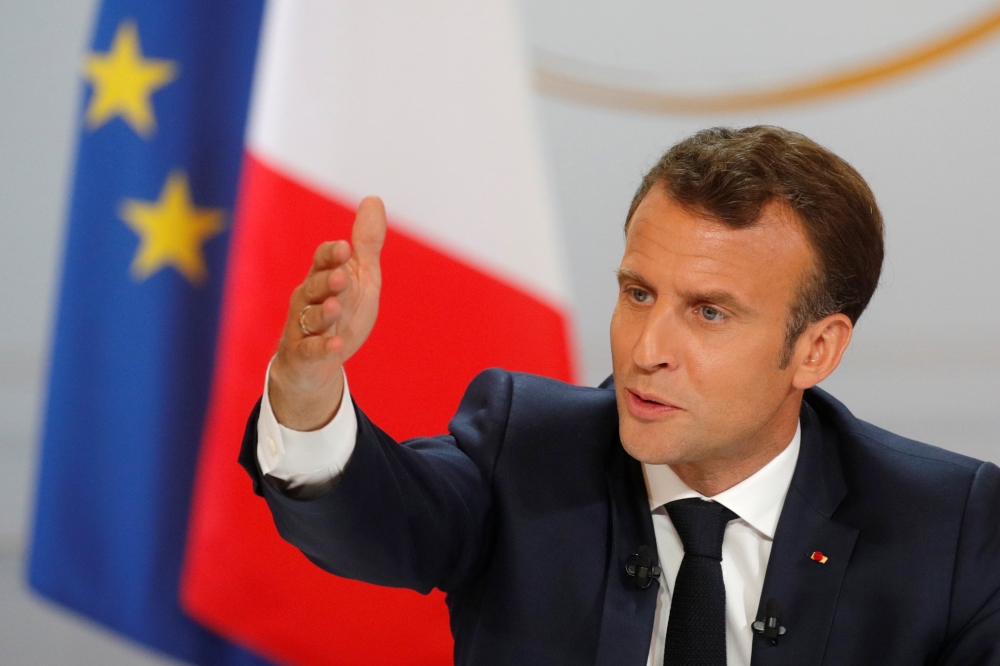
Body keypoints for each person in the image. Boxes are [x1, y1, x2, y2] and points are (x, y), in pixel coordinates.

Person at [239, 126, 1000, 665]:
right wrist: (307, 389)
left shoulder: (950, 526)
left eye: (709, 312)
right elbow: (370, 520)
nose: (647, 350)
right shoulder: (524, 448)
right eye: (638, 293)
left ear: (816, 349)